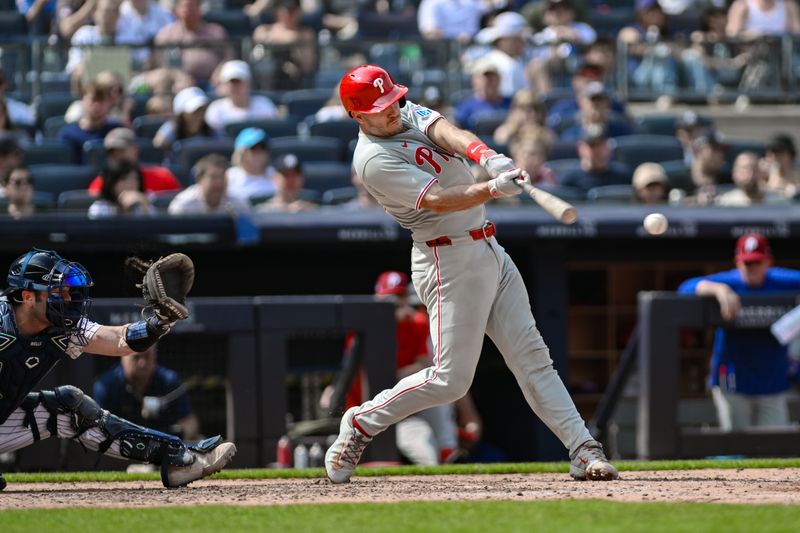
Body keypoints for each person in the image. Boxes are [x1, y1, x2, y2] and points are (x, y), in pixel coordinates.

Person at [324, 64, 618, 484]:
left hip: (488, 247)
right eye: (380, 106)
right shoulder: (372, 160)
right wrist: (493, 189)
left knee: (533, 357)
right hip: (447, 260)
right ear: (358, 115)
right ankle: (362, 422)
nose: (392, 110)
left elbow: (449, 134)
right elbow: (440, 199)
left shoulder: (402, 111)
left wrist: (488, 157)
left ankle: (582, 447)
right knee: (450, 381)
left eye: (392, 99)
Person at [0, 248, 236, 491]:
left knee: (68, 407)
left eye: (68, 292)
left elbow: (119, 340)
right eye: (57, 293)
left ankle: (179, 460)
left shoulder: (62, 327)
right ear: (28, 297)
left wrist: (160, 321)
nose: (67, 299)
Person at [677, 234, 800, 431]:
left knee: (774, 448)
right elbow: (684, 288)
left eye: (757, 262)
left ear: (768, 261)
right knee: (735, 445)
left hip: (772, 380)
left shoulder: (780, 280)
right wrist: (717, 289)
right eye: (747, 263)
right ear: (738, 262)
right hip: (732, 378)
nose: (752, 268)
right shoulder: (730, 281)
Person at [93, 343, 199, 440]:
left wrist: (176, 437)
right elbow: (98, 427)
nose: (142, 363)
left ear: (154, 356)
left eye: (147, 356)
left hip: (162, 448)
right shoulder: (106, 386)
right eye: (136, 357)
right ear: (123, 357)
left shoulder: (169, 381)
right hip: (120, 447)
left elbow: (190, 421)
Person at [154, 0, 231, 86]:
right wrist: (178, 76)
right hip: (179, 84)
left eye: (193, 6)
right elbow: (160, 63)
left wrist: (219, 72)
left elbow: (228, 58)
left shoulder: (216, 32)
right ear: (177, 9)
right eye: (185, 6)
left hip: (213, 83)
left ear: (200, 8)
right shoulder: (166, 34)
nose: (189, 10)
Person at [87, 127, 182, 194]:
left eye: (121, 150)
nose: (117, 156)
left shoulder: (162, 177)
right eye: (112, 152)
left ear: (135, 150)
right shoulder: (101, 183)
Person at [251, 0, 317, 90]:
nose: (290, 14)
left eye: (294, 10)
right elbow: (258, 35)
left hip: (296, 78)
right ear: (278, 11)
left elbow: (307, 66)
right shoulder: (265, 30)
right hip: (269, 77)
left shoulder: (306, 33)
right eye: (287, 10)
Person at [204, 60, 280, 136]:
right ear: (225, 84)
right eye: (231, 82)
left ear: (248, 82)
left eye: (239, 81)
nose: (235, 86)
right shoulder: (215, 109)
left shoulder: (265, 105)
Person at [57, 81, 123, 164]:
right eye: (93, 100)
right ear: (83, 100)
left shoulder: (116, 130)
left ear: (109, 103)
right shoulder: (67, 134)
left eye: (102, 100)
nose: (97, 105)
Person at [168, 153, 251, 215]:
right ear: (199, 179)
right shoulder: (184, 205)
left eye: (222, 177)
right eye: (213, 177)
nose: (219, 183)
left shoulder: (238, 204)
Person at [559, 124, 632, 193]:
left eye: (600, 145)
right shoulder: (569, 181)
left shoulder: (624, 177)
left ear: (608, 146)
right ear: (580, 148)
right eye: (592, 145)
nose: (597, 150)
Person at [558, 82, 632, 142]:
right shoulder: (570, 137)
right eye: (592, 100)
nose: (596, 105)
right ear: (581, 103)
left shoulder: (622, 134)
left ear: (608, 103)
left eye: (600, 100)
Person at [453, 59, 511, 131]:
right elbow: (457, 129)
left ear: (499, 79)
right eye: (486, 77)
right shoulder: (465, 107)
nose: (490, 81)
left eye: (493, 77)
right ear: (474, 80)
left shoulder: (511, 103)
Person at [714, 151, 789, 207]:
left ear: (760, 173)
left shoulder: (777, 202)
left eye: (754, 169)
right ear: (734, 173)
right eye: (744, 169)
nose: (750, 174)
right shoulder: (726, 203)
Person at [153, 86, 214, 153]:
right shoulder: (172, 128)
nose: (199, 115)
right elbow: (158, 145)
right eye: (194, 111)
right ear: (181, 114)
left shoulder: (212, 130)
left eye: (202, 109)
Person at [88, 161, 154, 218]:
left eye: (135, 179)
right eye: (124, 179)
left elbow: (154, 229)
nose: (130, 183)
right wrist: (124, 210)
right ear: (112, 183)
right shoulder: (99, 208)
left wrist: (145, 208)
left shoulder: (144, 203)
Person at [226, 127, 276, 201]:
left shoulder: (276, 175)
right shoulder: (229, 177)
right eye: (253, 148)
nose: (258, 152)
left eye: (262, 147)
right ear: (241, 153)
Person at [762, 133, 799, 199]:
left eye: (778, 152)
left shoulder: (797, 176)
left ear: (789, 155)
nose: (773, 156)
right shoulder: (764, 173)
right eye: (771, 151)